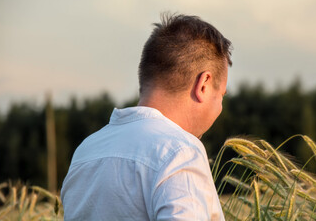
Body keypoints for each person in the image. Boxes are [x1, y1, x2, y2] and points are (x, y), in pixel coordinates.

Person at [61, 13, 232, 221]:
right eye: (221, 95)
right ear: (203, 84)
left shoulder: (86, 151)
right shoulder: (179, 152)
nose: (220, 106)